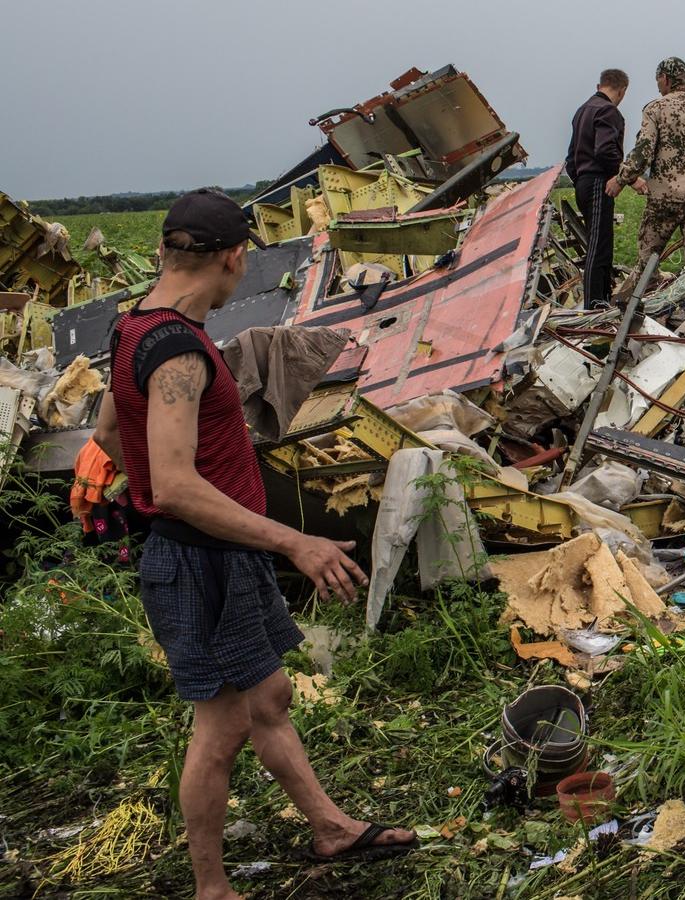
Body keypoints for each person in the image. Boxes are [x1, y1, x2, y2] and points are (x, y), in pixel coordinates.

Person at [91, 190, 415, 900]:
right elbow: (175, 485)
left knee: (266, 693)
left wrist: (157, 486)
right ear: (235, 258)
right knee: (223, 724)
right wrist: (294, 541)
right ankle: (212, 887)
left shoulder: (130, 327)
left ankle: (329, 827)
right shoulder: (176, 347)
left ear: (166, 253)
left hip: (213, 553)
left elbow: (110, 434)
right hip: (199, 558)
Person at [606, 57, 685, 276]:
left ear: (665, 79)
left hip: (664, 200)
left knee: (647, 266)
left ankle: (644, 305)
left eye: (658, 80)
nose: (658, 86)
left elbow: (643, 151)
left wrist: (621, 179)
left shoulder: (655, 109)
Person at [564, 68, 628, 309]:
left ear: (599, 84)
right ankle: (595, 303)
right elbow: (605, 151)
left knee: (597, 241)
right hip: (599, 181)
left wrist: (580, 178)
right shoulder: (608, 111)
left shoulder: (582, 111)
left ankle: (601, 297)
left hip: (582, 180)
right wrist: (625, 177)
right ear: (622, 90)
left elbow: (571, 157)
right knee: (599, 246)